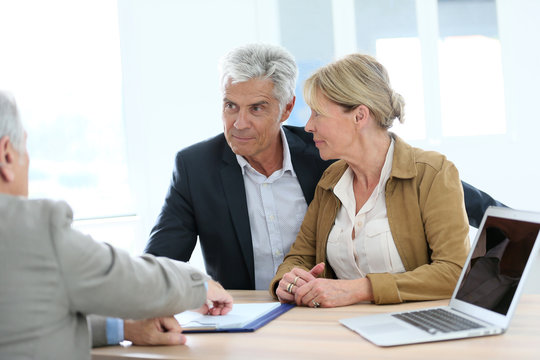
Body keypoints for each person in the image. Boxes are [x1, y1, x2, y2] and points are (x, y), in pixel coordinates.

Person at [144, 43, 503, 294]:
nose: (239, 124)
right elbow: (159, 260)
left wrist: (515, 238)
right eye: (229, 106)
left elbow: (449, 192)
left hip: (337, 310)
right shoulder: (195, 167)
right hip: (254, 314)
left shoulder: (325, 153)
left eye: (256, 108)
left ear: (286, 109)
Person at [0, 91, 233, 360]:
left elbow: (27, 320)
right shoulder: (33, 229)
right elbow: (129, 280)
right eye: (25, 148)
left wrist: (121, 327)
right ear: (6, 154)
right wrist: (199, 285)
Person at [270, 53, 471, 307]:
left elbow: (455, 272)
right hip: (338, 330)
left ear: (359, 116)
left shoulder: (432, 172)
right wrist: (288, 282)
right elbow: (300, 257)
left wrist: (361, 289)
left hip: (411, 330)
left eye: (318, 114)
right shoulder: (330, 180)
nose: (308, 126)